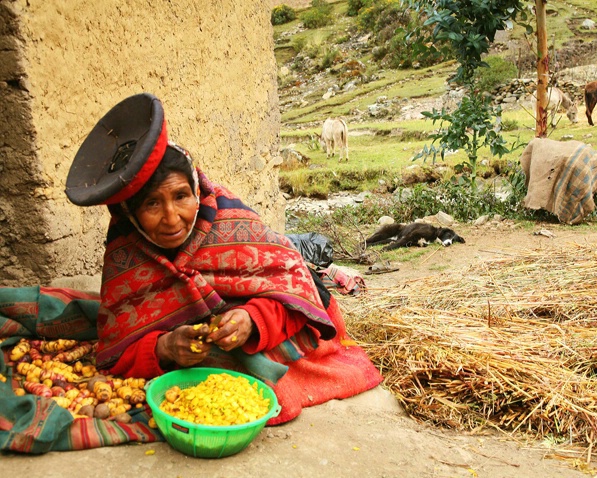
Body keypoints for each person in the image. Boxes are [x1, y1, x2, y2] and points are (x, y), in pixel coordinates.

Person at [65, 93, 383, 424]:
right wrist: (165, 346)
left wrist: (252, 319)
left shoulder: (229, 220)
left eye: (181, 196)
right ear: (130, 214)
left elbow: (298, 290)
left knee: (248, 367)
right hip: (206, 343)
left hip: (277, 323)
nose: (172, 218)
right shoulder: (126, 254)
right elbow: (115, 349)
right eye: (152, 205)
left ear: (196, 190)